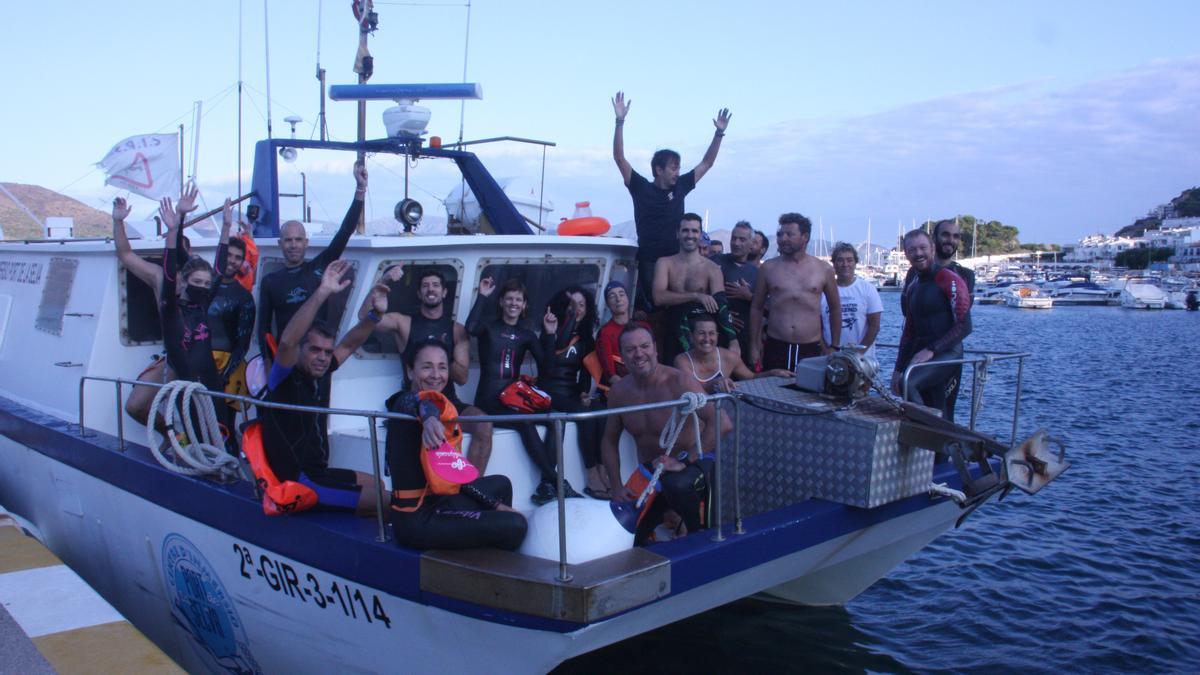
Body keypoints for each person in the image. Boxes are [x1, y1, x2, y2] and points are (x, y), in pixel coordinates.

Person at [260, 259, 386, 515]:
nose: (322, 357)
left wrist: (374, 316)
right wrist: (323, 292)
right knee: (388, 502)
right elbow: (286, 343)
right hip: (301, 481)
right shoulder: (284, 378)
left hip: (320, 472)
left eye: (327, 352)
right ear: (301, 351)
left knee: (379, 484)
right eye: (315, 350)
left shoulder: (321, 370)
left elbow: (350, 344)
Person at [385, 339, 527, 550]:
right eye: (426, 367)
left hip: (439, 503)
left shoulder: (439, 409)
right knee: (516, 525)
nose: (436, 375)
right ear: (410, 371)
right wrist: (430, 419)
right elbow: (416, 402)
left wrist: (495, 505)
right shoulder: (403, 403)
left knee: (501, 484)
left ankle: (478, 542)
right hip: (416, 520)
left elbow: (454, 476)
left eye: (442, 367)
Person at [611, 91, 731, 314]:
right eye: (674, 167)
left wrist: (719, 133)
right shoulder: (641, 187)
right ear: (659, 170)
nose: (678, 172)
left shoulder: (681, 187)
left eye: (679, 167)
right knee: (655, 310)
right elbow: (619, 158)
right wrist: (620, 121)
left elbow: (707, 163)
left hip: (677, 260)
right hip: (649, 261)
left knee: (679, 310)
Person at [364, 267, 494, 471]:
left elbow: (462, 377)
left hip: (449, 402)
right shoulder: (403, 323)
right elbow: (365, 318)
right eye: (425, 286)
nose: (430, 289)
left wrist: (440, 354)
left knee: (484, 424)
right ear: (419, 293)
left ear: (444, 292)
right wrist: (384, 280)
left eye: (435, 285)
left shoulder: (457, 330)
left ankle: (472, 490)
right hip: (415, 402)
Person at [467, 277, 581, 505]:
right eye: (509, 298)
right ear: (501, 302)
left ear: (524, 304)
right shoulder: (489, 327)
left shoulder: (526, 335)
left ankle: (546, 484)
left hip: (512, 399)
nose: (513, 303)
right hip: (489, 401)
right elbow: (470, 327)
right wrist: (482, 295)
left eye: (518, 299)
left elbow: (547, 368)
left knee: (557, 420)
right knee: (525, 422)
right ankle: (556, 482)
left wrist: (549, 334)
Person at [602, 324, 719, 545]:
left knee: (677, 487)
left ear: (655, 348)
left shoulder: (679, 382)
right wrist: (616, 486)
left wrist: (686, 459)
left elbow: (721, 422)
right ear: (622, 356)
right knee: (624, 536)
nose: (639, 354)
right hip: (651, 474)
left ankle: (696, 532)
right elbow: (609, 441)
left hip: (692, 467)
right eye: (630, 349)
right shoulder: (619, 393)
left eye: (644, 346)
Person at [257, 163, 367, 363]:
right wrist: (266, 364)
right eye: (288, 240)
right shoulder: (270, 281)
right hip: (288, 360)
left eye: (298, 240)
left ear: (306, 243)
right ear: (280, 244)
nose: (293, 245)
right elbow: (263, 329)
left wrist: (360, 190)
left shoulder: (319, 267)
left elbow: (345, 231)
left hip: (319, 358)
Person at [157, 187, 235, 445]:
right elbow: (168, 275)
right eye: (196, 281)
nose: (202, 286)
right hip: (186, 389)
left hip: (211, 385)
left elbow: (220, 270)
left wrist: (225, 228)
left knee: (222, 438)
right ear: (184, 281)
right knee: (197, 443)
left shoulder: (201, 305)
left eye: (205, 282)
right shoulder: (171, 309)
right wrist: (172, 231)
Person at [112, 195, 192, 426]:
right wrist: (118, 221)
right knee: (135, 406)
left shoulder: (200, 275)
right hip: (173, 356)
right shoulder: (159, 277)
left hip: (201, 354)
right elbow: (125, 255)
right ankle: (173, 437)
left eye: (180, 247)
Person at [892, 229, 972, 413]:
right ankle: (928, 437)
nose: (918, 253)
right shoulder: (913, 286)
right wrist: (898, 368)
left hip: (947, 352)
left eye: (922, 248)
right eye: (912, 250)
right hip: (923, 355)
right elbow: (909, 332)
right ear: (906, 255)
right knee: (931, 401)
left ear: (932, 249)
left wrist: (932, 350)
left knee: (909, 383)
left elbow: (965, 325)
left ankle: (930, 432)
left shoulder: (949, 279)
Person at [748, 213, 841, 371]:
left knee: (808, 395)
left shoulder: (823, 269)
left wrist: (834, 346)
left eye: (789, 234)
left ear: (805, 237)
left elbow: (835, 309)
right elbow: (756, 307)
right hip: (776, 345)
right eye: (780, 234)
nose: (782, 238)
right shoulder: (768, 268)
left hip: (810, 348)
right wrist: (754, 346)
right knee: (772, 392)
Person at [541, 286, 609, 498]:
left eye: (581, 305)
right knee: (585, 416)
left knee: (598, 409)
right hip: (548, 391)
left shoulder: (586, 339)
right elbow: (553, 355)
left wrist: (583, 393)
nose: (577, 309)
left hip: (570, 392)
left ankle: (601, 465)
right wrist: (568, 317)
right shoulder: (550, 330)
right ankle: (590, 473)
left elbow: (586, 373)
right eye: (572, 305)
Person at [652, 214, 738, 364]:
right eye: (685, 230)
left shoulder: (712, 269)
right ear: (677, 233)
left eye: (694, 231)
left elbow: (722, 306)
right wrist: (697, 296)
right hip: (673, 333)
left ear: (700, 234)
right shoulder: (665, 263)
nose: (690, 235)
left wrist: (733, 340)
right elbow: (659, 298)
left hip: (702, 340)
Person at [209, 198, 257, 418]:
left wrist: (224, 376)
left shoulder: (244, 298)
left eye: (238, 258)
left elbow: (242, 344)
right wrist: (226, 227)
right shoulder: (203, 287)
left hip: (227, 372)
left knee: (224, 427)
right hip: (199, 365)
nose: (233, 260)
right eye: (229, 255)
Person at [673, 315, 791, 395]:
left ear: (718, 336)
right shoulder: (682, 361)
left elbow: (751, 378)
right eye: (701, 333)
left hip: (722, 411)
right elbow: (693, 390)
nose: (707, 339)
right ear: (691, 337)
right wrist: (714, 384)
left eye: (712, 333)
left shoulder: (729, 357)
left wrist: (771, 373)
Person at [821, 242, 883, 360]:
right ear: (833, 264)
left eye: (849, 260)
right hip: (830, 358)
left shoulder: (868, 289)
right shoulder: (824, 291)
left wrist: (858, 353)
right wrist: (826, 351)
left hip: (861, 360)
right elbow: (817, 327)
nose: (845, 264)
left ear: (855, 263)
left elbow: (874, 326)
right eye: (840, 260)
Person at [712, 221, 759, 365]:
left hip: (744, 339)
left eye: (742, 239)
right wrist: (725, 317)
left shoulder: (757, 273)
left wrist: (748, 296)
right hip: (717, 336)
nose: (736, 243)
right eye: (734, 238)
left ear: (751, 244)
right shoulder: (715, 262)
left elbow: (767, 307)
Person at [595, 281, 649, 388]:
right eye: (612, 296)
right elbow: (611, 375)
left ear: (628, 299)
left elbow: (655, 361)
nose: (618, 299)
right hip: (626, 388)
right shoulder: (605, 333)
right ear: (607, 303)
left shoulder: (644, 326)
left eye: (621, 294)